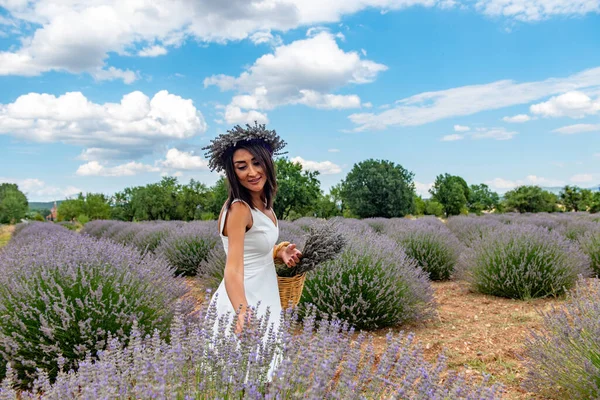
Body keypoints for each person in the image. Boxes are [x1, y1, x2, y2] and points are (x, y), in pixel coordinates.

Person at [202, 122, 302, 345]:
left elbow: (253, 249)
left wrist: (279, 252)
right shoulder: (240, 208)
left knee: (262, 371)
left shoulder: (262, 204)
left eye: (257, 163)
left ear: (267, 163)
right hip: (246, 297)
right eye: (242, 166)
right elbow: (234, 267)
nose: (252, 172)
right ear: (233, 172)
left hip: (265, 293)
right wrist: (242, 310)